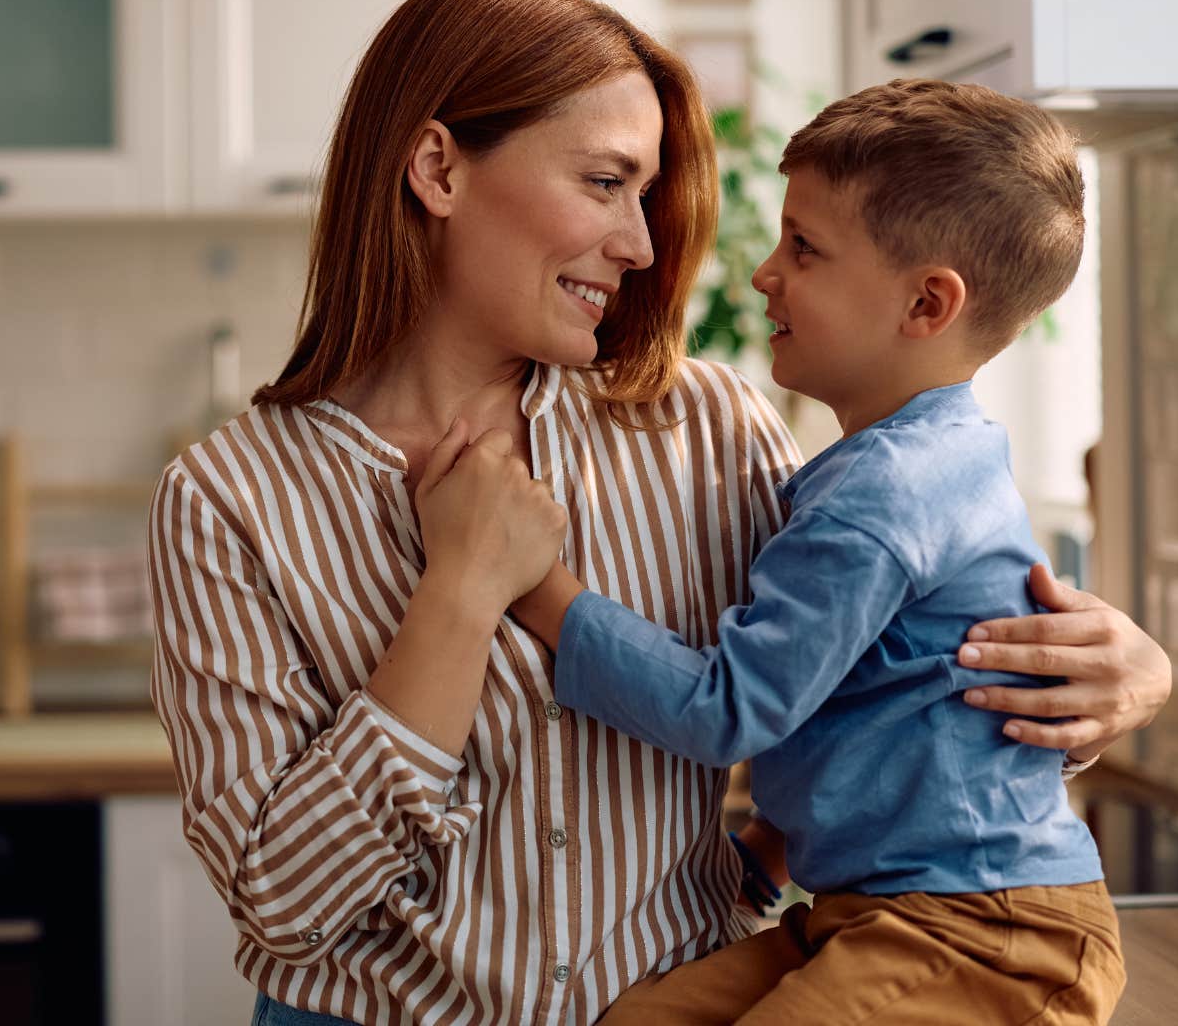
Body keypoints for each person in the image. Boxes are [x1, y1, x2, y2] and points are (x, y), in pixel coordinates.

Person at [146, 0, 1169, 1026]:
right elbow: (284, 906)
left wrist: (1112, 683)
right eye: (603, 183)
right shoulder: (229, 500)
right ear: (439, 168)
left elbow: (882, 667)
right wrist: (458, 594)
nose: (640, 245)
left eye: (645, 195)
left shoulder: (711, 432)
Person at [465, 79, 1125, 1023]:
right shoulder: (906, 466)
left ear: (927, 303)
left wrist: (539, 588)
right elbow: (883, 708)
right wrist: (769, 851)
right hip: (874, 910)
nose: (765, 273)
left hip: (985, 931)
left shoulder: (887, 498)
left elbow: (728, 708)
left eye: (805, 249)